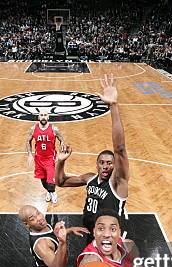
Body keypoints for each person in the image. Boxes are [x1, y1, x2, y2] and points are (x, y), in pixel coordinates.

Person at [55, 74, 129, 236]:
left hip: (111, 238)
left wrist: (113, 106)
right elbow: (60, 182)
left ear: (115, 165)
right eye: (101, 162)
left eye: (109, 163)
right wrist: (60, 162)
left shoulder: (118, 183)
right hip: (92, 234)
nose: (105, 165)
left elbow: (120, 148)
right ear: (97, 164)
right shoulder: (90, 178)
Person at [26, 112, 65, 204]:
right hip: (38, 158)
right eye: (41, 115)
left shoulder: (54, 129)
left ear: (48, 117)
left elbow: (62, 140)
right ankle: (49, 191)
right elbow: (28, 141)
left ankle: (53, 192)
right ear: (38, 117)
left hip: (50, 158)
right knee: (43, 180)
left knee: (50, 179)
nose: (43, 117)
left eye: (45, 115)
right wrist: (30, 155)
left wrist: (60, 151)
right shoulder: (33, 129)